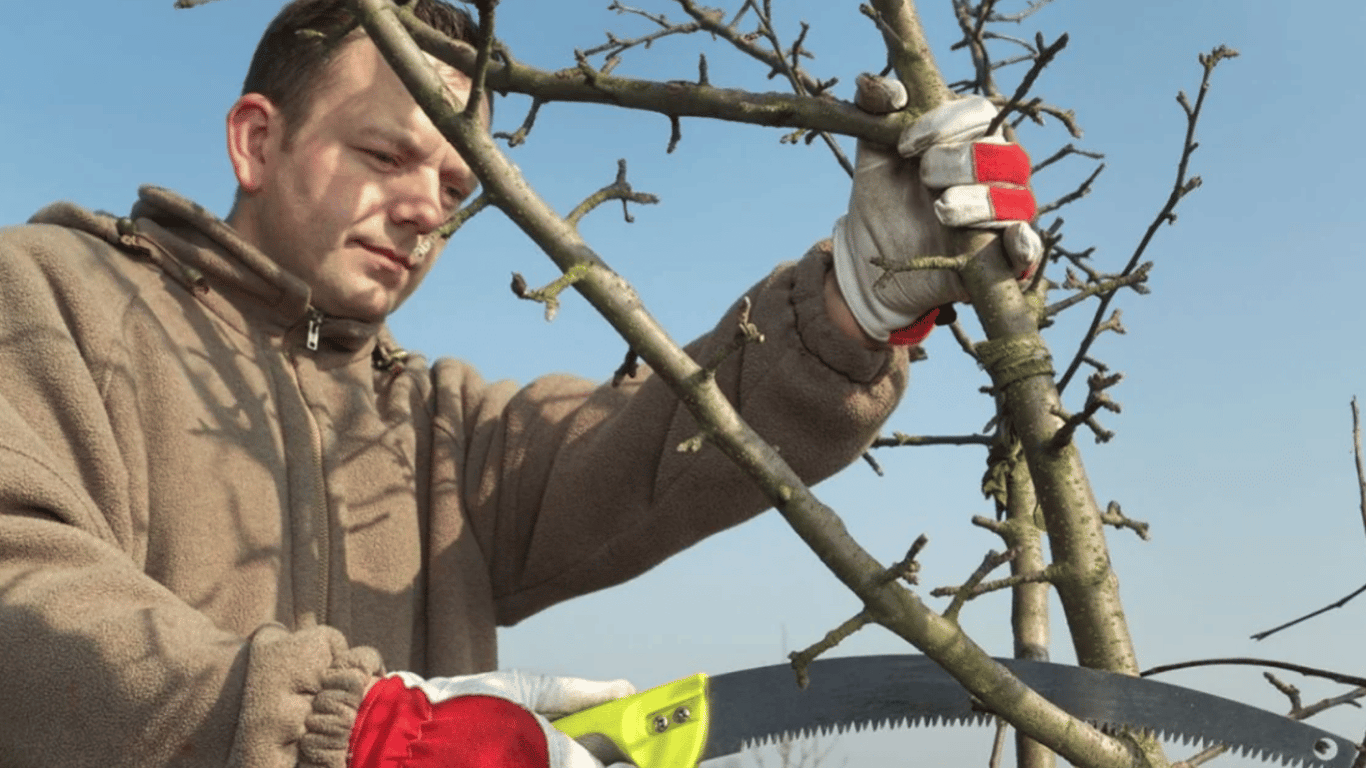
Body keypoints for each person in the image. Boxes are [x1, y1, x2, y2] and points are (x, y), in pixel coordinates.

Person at [0, 0, 1040, 766]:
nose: (422, 209)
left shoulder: (434, 424)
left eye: (455, 188)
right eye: (382, 155)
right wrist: (342, 731)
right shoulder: (49, 296)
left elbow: (652, 446)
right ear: (257, 141)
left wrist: (857, 299)